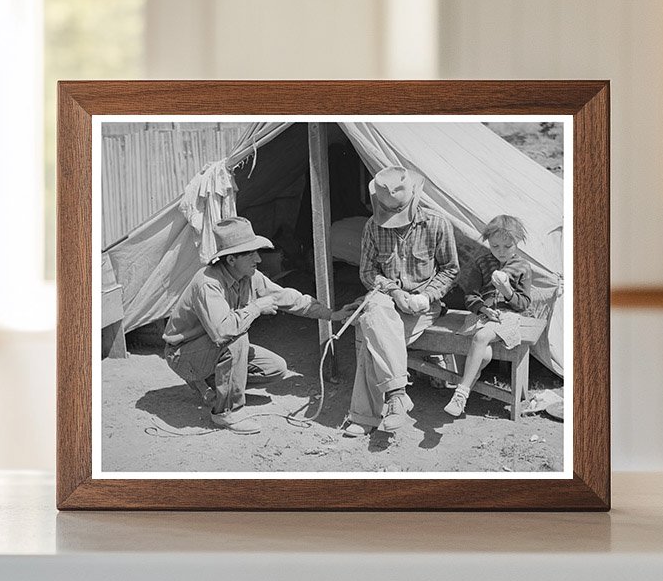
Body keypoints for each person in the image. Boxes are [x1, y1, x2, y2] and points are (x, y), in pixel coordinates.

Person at [163, 216, 355, 433]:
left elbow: (286, 298)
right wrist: (256, 308)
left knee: (276, 368)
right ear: (231, 259)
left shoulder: (249, 276)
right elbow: (222, 333)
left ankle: (216, 387)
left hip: (209, 350)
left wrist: (332, 314)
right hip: (183, 354)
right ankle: (226, 413)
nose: (259, 259)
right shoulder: (208, 283)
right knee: (236, 338)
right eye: (250, 253)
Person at [344, 167, 459, 437]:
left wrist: (424, 296)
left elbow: (450, 270)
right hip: (388, 301)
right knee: (375, 310)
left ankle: (365, 416)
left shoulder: (436, 223)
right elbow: (367, 272)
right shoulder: (373, 226)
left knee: (371, 338)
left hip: (423, 306)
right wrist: (395, 292)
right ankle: (397, 396)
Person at [443, 214, 533, 418]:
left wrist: (508, 292)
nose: (500, 252)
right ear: (488, 243)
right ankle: (471, 381)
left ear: (517, 243)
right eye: (495, 246)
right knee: (485, 354)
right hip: (484, 315)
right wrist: (483, 309)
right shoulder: (481, 263)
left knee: (481, 337)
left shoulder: (522, 267)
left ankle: (461, 393)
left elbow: (525, 304)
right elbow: (470, 296)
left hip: (508, 317)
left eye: (507, 247)